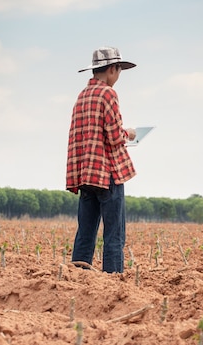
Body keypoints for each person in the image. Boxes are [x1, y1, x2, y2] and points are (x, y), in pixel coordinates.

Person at [66, 46, 137, 273]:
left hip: (86, 173)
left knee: (85, 232)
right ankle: (113, 283)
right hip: (107, 173)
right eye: (119, 71)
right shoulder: (108, 94)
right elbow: (115, 136)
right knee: (114, 233)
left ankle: (78, 276)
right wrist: (130, 134)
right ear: (112, 70)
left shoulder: (82, 96)